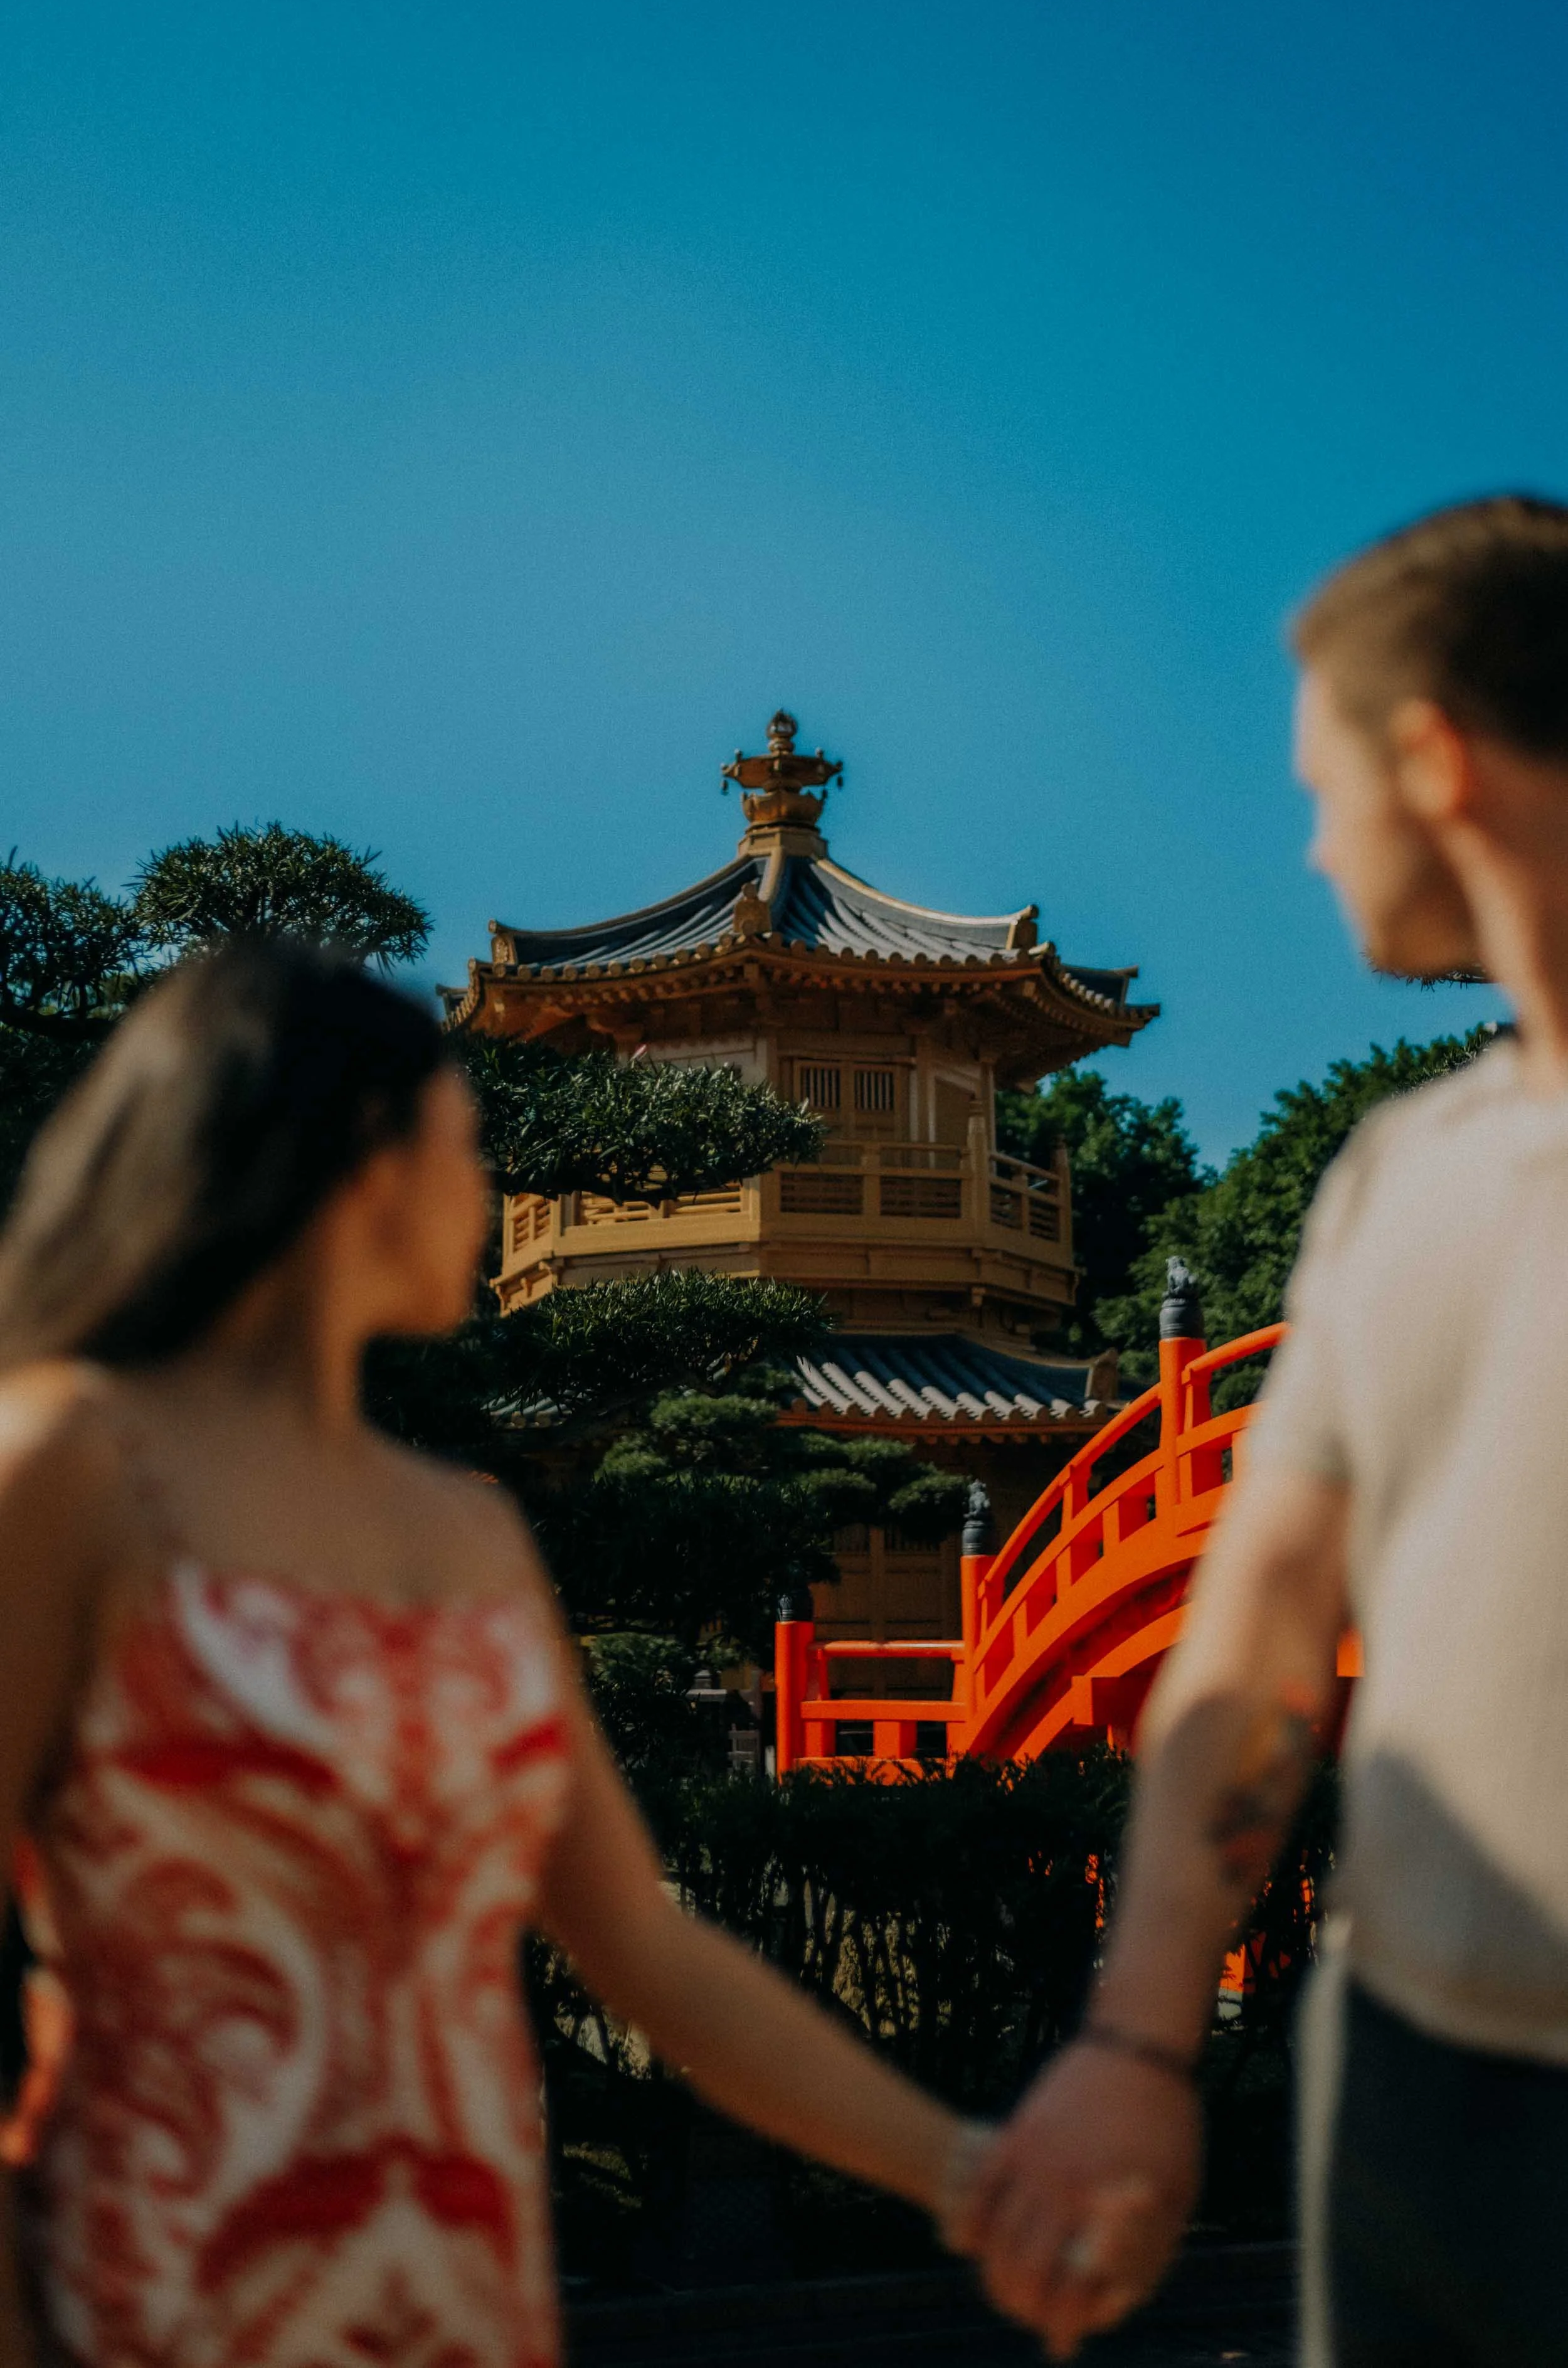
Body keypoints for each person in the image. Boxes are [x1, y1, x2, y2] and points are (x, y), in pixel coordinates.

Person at [0, 942, 1009, 2368]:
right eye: (466, 1144)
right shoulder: (68, 1464)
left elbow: (649, 1954)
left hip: (460, 2298)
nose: (493, 1193)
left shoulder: (466, 1530)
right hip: (158, 2293)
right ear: (368, 1161)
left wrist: (971, 2174)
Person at [963, 492, 1568, 2365]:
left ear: (1431, 758)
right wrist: (1142, 2037)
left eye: (1321, 785)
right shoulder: (1397, 1171)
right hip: (1411, 2065)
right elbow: (1260, 1613)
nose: (1308, 843)